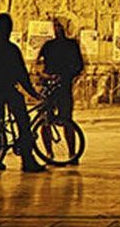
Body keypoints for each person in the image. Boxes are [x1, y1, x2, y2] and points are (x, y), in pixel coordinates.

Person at [0, 13, 44, 172]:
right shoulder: (10, 48)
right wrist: (33, 93)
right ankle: (28, 160)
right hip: (5, 89)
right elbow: (21, 74)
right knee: (22, 120)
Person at [37, 18, 85, 163]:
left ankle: (72, 153)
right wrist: (43, 75)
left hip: (63, 86)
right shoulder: (48, 45)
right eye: (55, 26)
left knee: (67, 121)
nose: (57, 29)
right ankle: (49, 153)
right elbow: (38, 63)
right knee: (45, 121)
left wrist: (65, 76)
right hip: (48, 85)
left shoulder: (72, 45)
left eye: (60, 26)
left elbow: (79, 66)